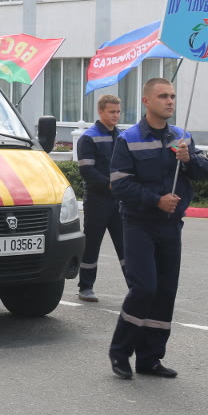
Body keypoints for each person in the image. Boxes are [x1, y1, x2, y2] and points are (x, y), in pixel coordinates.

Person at [107, 78, 208, 380]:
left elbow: (204, 172)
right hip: (139, 223)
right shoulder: (129, 139)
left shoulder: (181, 136)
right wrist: (156, 200)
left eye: (173, 96)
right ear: (146, 101)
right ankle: (120, 353)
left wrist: (189, 159)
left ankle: (150, 358)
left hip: (171, 225)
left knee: (166, 292)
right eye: (163, 96)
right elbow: (119, 184)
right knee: (144, 288)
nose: (170, 101)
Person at [76, 94, 126, 302]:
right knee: (92, 244)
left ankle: (137, 286)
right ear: (100, 112)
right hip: (98, 201)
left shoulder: (122, 136)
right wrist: (112, 185)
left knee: (126, 245)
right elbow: (88, 171)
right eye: (111, 112)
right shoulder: (88, 137)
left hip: (120, 201)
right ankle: (85, 287)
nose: (116, 116)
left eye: (118, 112)